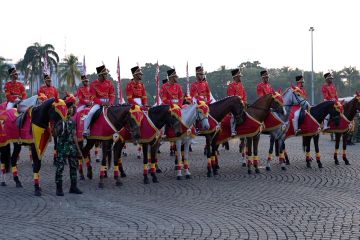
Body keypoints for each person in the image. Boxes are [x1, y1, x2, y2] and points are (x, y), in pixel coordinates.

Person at [53, 97, 83, 196]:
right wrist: (58, 125)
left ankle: (73, 187)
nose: (71, 109)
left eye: (72, 108)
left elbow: (74, 135)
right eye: (70, 108)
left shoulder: (72, 121)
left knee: (74, 167)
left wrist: (78, 150)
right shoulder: (60, 120)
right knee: (60, 168)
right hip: (62, 147)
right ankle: (59, 188)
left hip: (72, 147)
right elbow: (55, 134)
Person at [83, 65, 115, 136]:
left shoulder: (109, 83)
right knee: (91, 113)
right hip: (98, 103)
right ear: (100, 75)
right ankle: (86, 130)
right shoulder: (93, 84)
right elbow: (93, 97)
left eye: (106, 74)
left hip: (108, 103)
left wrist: (110, 103)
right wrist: (102, 103)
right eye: (105, 74)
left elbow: (112, 95)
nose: (107, 75)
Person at [227, 68, 247, 136]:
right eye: (239, 76)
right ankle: (233, 130)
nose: (240, 77)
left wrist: (244, 101)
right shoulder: (231, 85)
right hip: (234, 105)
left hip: (242, 103)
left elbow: (244, 94)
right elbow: (231, 97)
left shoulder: (241, 84)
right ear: (235, 77)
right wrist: (239, 102)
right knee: (234, 116)